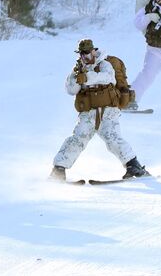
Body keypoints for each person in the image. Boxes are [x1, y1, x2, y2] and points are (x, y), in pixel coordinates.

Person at [50, 39, 149, 181]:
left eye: (86, 53)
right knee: (77, 139)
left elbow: (108, 78)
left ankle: (134, 166)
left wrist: (87, 77)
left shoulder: (104, 64)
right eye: (81, 54)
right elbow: (71, 90)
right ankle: (59, 170)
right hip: (88, 113)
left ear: (93, 51)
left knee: (113, 138)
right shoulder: (78, 68)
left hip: (108, 111)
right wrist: (76, 78)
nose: (84, 56)